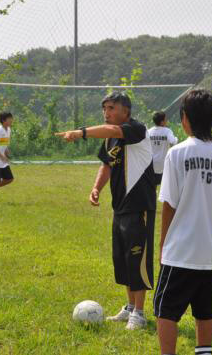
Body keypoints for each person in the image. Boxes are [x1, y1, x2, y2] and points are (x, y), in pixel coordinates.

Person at [55, 92, 156, 330]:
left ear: (125, 111)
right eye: (104, 109)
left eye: (111, 108)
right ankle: (130, 307)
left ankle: (140, 314)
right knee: (123, 260)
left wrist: (80, 132)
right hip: (120, 207)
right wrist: (96, 188)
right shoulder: (110, 138)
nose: (106, 113)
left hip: (138, 206)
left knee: (137, 259)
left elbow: (112, 130)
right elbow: (106, 165)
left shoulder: (136, 129)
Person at [154, 89, 212, 355]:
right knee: (205, 310)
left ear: (185, 118)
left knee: (166, 310)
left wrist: (163, 245)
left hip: (180, 252)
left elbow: (169, 204)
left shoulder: (177, 153)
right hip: (207, 253)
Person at [148, 111, 178, 187]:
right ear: (162, 122)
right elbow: (173, 142)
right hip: (164, 164)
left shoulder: (149, 132)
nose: (166, 121)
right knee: (165, 186)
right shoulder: (167, 131)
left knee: (153, 186)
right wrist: (176, 138)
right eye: (165, 119)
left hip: (152, 164)